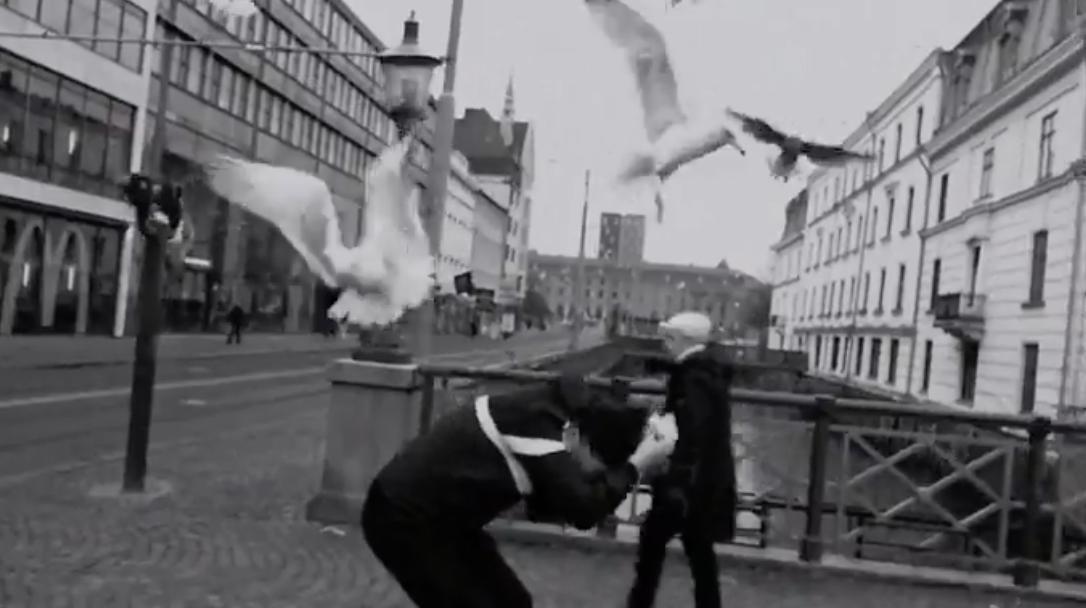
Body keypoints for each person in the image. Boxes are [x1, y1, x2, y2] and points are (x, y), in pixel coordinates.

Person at [362, 375, 678, 608]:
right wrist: (636, 464)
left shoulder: (553, 416)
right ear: (580, 439)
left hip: (446, 523)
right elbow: (583, 510)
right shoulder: (534, 424)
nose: (587, 476)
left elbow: (556, 504)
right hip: (401, 520)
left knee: (513, 602)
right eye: (594, 470)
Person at [626, 311, 738, 608]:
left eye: (670, 338)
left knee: (652, 545)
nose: (665, 344)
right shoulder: (706, 372)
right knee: (699, 551)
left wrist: (677, 478)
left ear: (686, 340)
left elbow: (692, 432)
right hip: (704, 482)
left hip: (686, 483)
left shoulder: (692, 378)